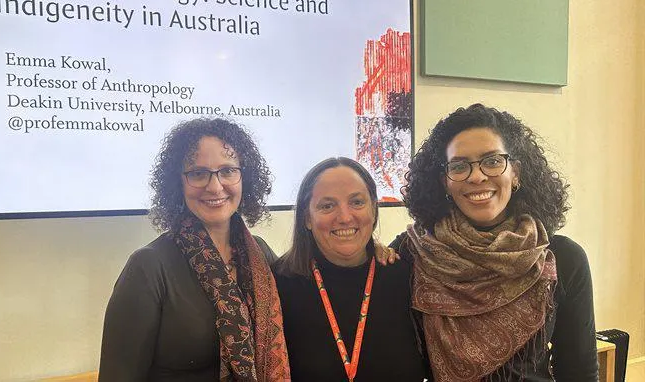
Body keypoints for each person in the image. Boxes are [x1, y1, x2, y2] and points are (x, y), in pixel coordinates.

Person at [395, 103, 598, 381]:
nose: (477, 176)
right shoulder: (412, 253)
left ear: (515, 173)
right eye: (459, 166)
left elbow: (580, 372)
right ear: (444, 182)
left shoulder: (564, 258)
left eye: (492, 161)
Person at [98, 117, 291, 381]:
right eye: (198, 173)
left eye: (227, 170)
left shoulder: (260, 253)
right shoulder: (149, 267)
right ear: (178, 183)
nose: (215, 186)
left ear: (245, 177)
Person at [272, 157, 430, 381]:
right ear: (307, 218)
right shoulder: (278, 286)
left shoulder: (405, 276)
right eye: (327, 206)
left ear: (374, 210)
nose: (345, 217)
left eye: (357, 202)